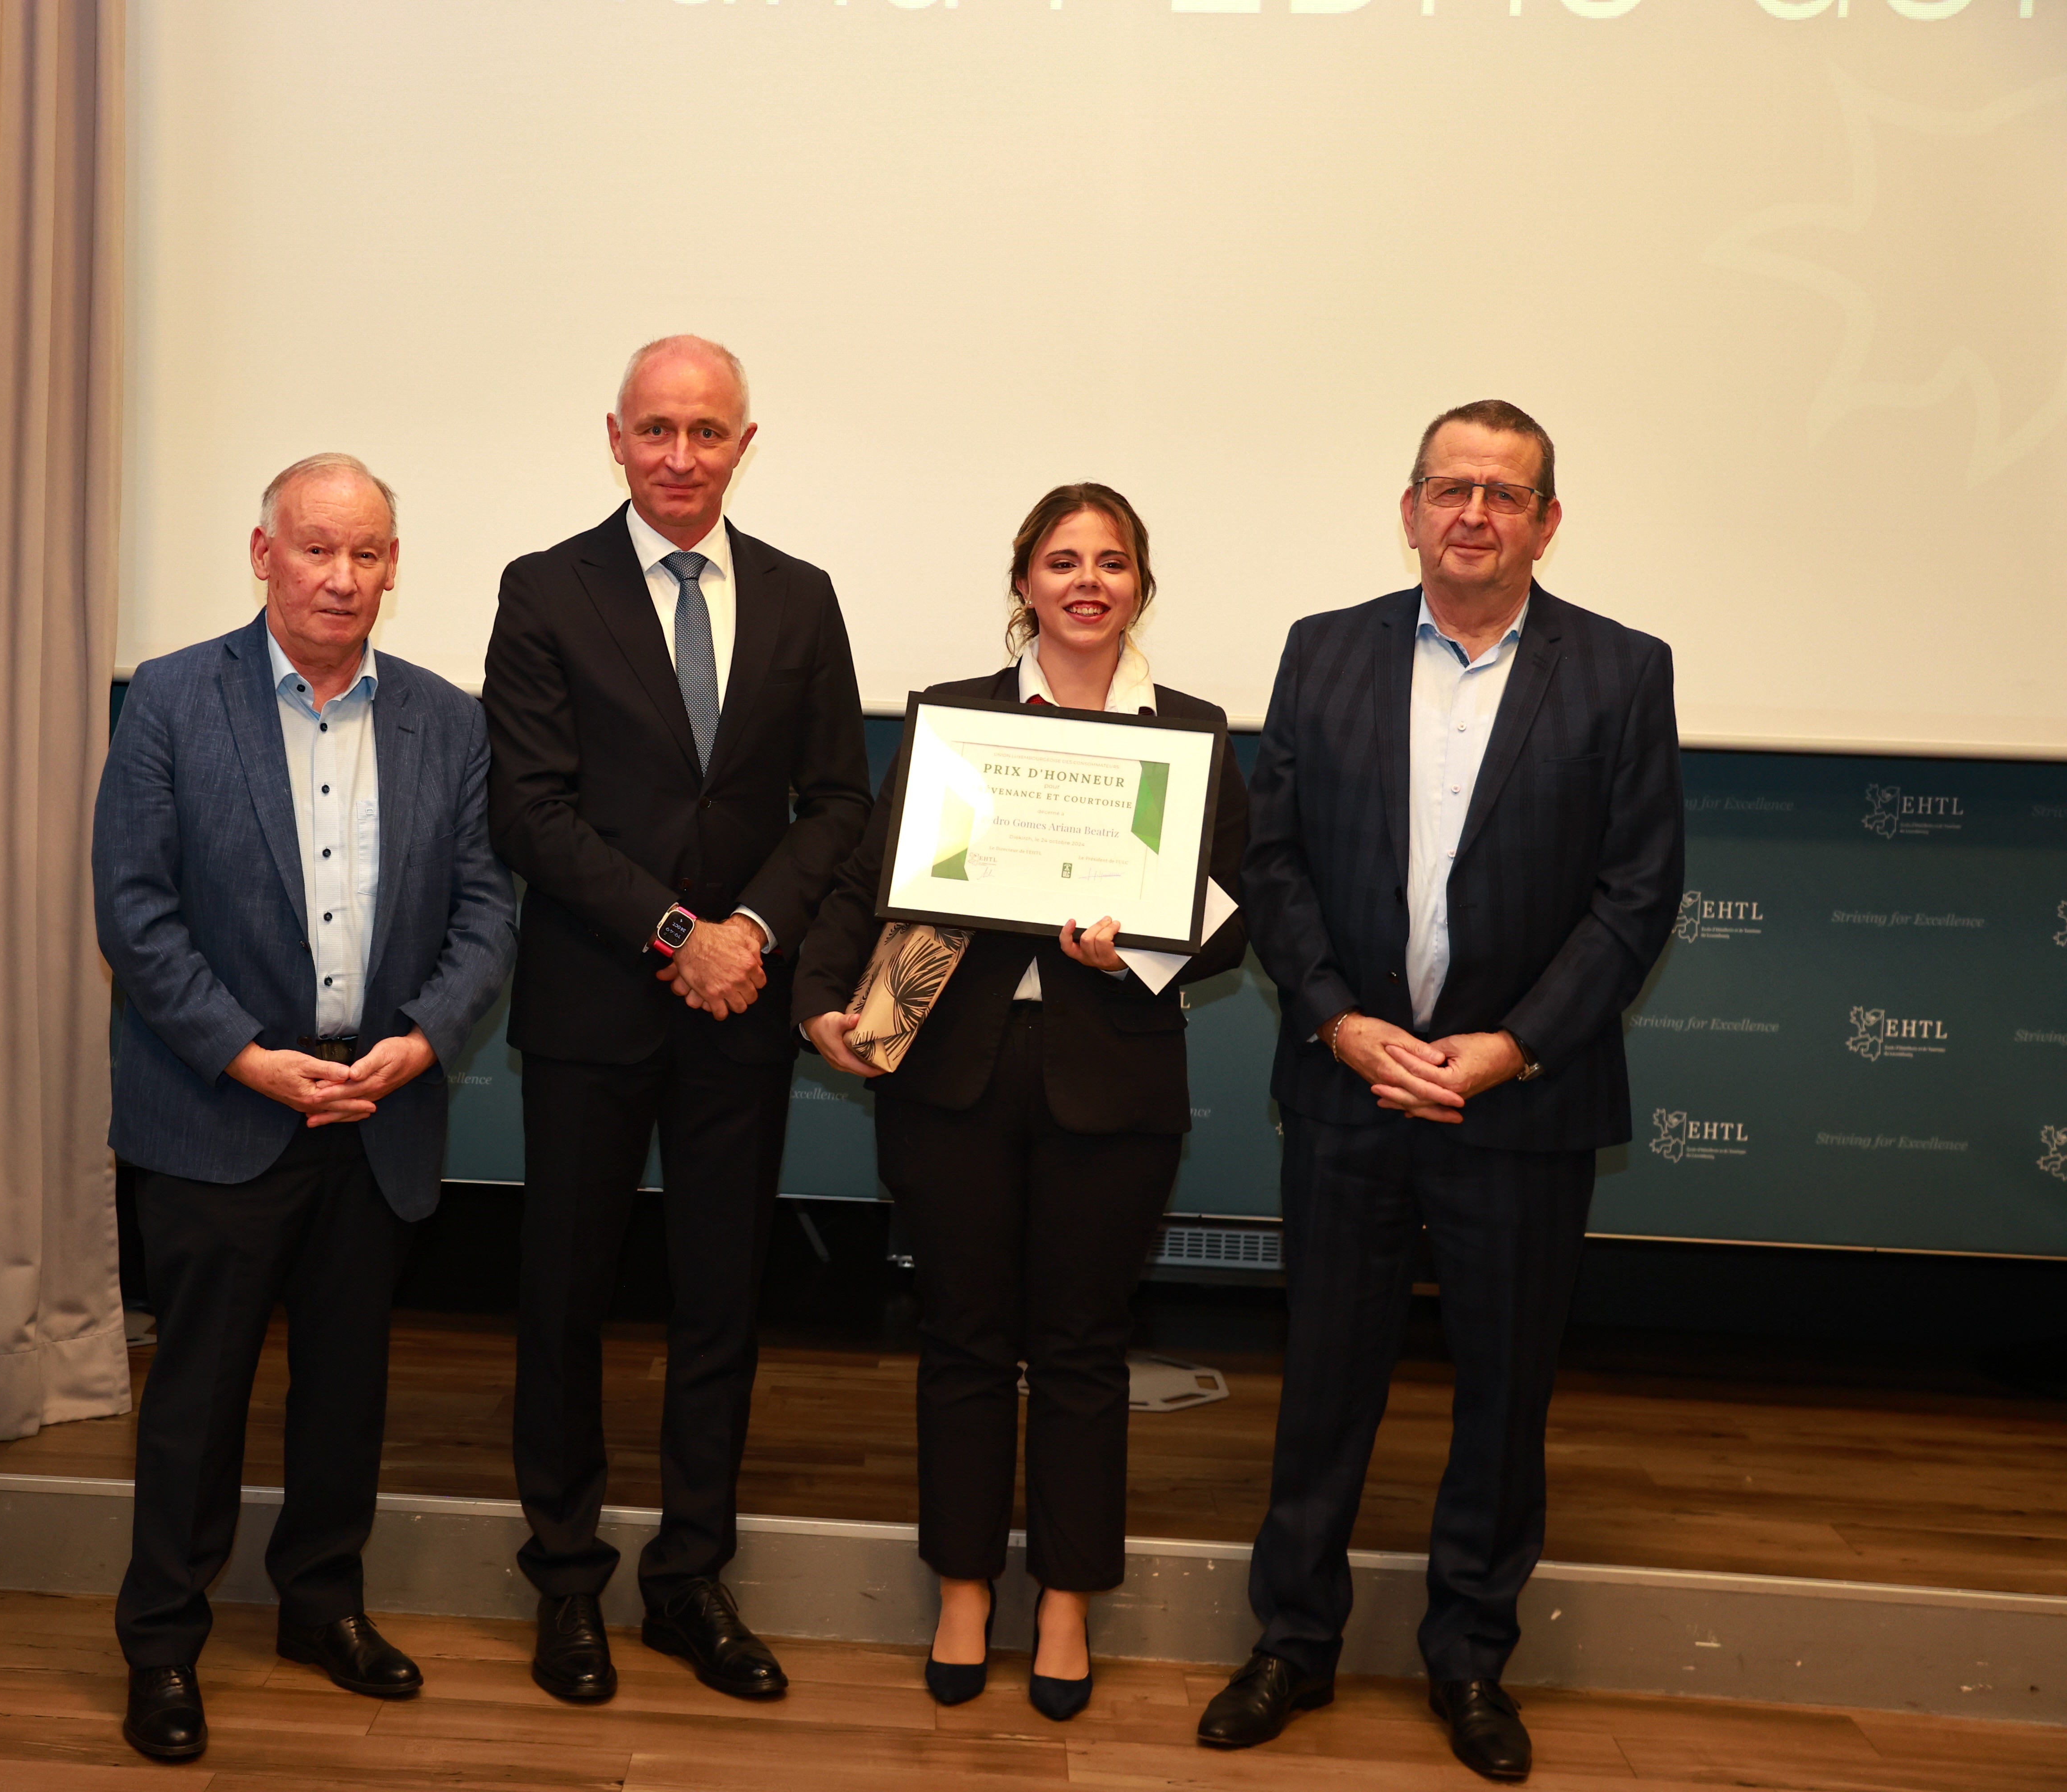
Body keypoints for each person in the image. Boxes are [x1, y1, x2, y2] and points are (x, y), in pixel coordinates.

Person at [1202, 402, 1683, 1781]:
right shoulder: (1325, 650)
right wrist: (1340, 1024)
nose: (1474, 512)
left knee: (1505, 1395)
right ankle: (1294, 1641)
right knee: (1324, 1383)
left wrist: (1512, 1046)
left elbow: (1637, 893)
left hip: (1517, 1104)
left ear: (1546, 522)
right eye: (1450, 487)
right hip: (1351, 1087)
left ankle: (1471, 1656)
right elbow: (1274, 862)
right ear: (1409, 510)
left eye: (1504, 493)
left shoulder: (1621, 671)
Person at [795, 483, 1247, 1722]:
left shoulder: (1192, 733)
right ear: (1024, 584)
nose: (1087, 582)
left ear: (1140, 587)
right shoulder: (957, 720)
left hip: (1115, 1084)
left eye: (1111, 562)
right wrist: (822, 998)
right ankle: (961, 1592)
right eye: (1062, 561)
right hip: (955, 1078)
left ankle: (1064, 1604)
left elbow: (1228, 926)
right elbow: (877, 876)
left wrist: (1134, 944)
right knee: (963, 1341)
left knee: (1085, 1350)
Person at [95, 454, 515, 1762]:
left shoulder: (449, 720)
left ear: (394, 568)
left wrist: (423, 1042)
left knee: (347, 1388)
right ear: (263, 553)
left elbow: (488, 908)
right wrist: (246, 1058)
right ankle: (164, 1646)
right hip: (221, 1108)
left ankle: (321, 1604)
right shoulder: (173, 700)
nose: (342, 577)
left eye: (367, 554)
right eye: (318, 549)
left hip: (375, 1110)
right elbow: (135, 912)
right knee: (198, 1400)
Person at [483, 336, 872, 1703]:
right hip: (594, 1006)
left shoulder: (802, 597)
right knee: (564, 1302)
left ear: (744, 445)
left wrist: (749, 935)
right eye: (658, 429)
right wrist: (675, 935)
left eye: (709, 431)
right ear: (616, 438)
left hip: (740, 1014)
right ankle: (566, 1579)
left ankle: (691, 1577)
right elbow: (529, 812)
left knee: (720, 1305)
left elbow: (838, 801)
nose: (682, 455)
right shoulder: (546, 589)